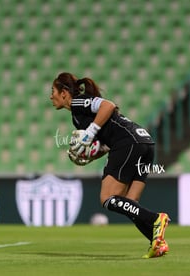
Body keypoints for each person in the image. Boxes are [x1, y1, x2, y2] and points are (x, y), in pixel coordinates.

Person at [50, 72, 170, 258]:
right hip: (144, 143)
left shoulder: (78, 102)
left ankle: (156, 219)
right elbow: (106, 145)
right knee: (130, 204)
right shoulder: (77, 118)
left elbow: (108, 105)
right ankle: (157, 242)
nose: (51, 96)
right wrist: (90, 156)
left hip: (129, 143)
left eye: (53, 91)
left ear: (64, 92)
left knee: (107, 198)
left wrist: (89, 133)